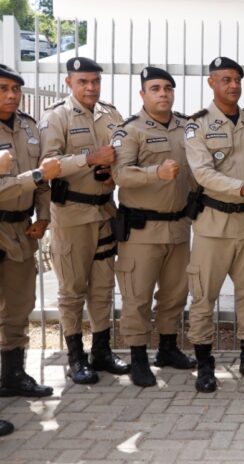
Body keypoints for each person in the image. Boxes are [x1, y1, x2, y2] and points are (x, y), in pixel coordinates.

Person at [184, 56, 244, 393]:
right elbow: (202, 172)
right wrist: (239, 188)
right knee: (203, 297)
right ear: (211, 83)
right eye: (225, 80)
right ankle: (205, 364)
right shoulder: (198, 125)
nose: (233, 85)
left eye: (237, 79)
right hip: (213, 226)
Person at [39, 57, 127, 384]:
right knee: (73, 290)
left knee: (103, 287)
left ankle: (101, 351)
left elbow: (122, 155)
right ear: (69, 83)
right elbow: (48, 164)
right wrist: (89, 158)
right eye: (83, 82)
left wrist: (112, 173)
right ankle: (75, 357)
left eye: (95, 82)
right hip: (72, 217)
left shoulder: (111, 114)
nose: (90, 88)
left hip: (105, 212)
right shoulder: (56, 116)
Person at [111, 67, 197, 387]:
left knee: (175, 293)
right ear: (142, 94)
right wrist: (154, 173)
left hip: (178, 226)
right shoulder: (129, 131)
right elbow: (120, 175)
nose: (163, 93)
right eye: (155, 88)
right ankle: (137, 357)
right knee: (138, 296)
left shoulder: (187, 127)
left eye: (168, 88)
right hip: (142, 230)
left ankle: (168, 349)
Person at [0, 64, 61, 437]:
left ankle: (13, 376)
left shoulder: (27, 125)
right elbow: (38, 176)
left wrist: (43, 217)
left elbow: (44, 183)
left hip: (21, 229)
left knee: (19, 307)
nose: (10, 96)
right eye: (4, 89)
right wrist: (37, 177)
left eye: (15, 90)